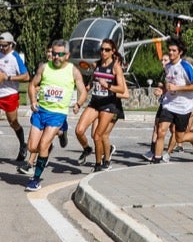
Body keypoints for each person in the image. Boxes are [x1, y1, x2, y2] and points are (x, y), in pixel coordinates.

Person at [23, 40, 89, 190]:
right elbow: (32, 85)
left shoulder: (73, 71)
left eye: (60, 54)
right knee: (32, 147)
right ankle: (61, 132)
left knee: (43, 145)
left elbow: (83, 91)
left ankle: (35, 180)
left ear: (67, 55)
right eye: (54, 54)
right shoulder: (45, 67)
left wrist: (79, 104)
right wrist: (33, 101)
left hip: (57, 114)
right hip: (41, 112)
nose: (56, 57)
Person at [76, 37, 128, 171]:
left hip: (108, 105)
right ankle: (87, 148)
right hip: (95, 102)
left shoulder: (116, 67)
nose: (103, 52)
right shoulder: (96, 65)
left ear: (113, 51)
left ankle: (99, 164)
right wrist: (88, 87)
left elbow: (122, 89)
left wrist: (108, 86)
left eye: (107, 50)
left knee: (98, 135)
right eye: (102, 49)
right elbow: (93, 80)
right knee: (79, 130)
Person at [151, 38, 193, 162]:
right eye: (169, 50)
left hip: (183, 107)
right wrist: (162, 90)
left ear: (180, 52)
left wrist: (177, 88)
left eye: (174, 50)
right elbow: (169, 85)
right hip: (169, 104)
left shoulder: (186, 66)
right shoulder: (168, 66)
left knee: (179, 138)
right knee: (161, 130)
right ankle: (156, 159)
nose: (171, 52)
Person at [0, 33, 30, 170]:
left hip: (10, 94)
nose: (2, 48)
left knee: (13, 123)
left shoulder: (15, 57)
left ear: (11, 44)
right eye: (0, 45)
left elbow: (26, 76)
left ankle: (23, 145)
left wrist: (9, 78)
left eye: (5, 46)